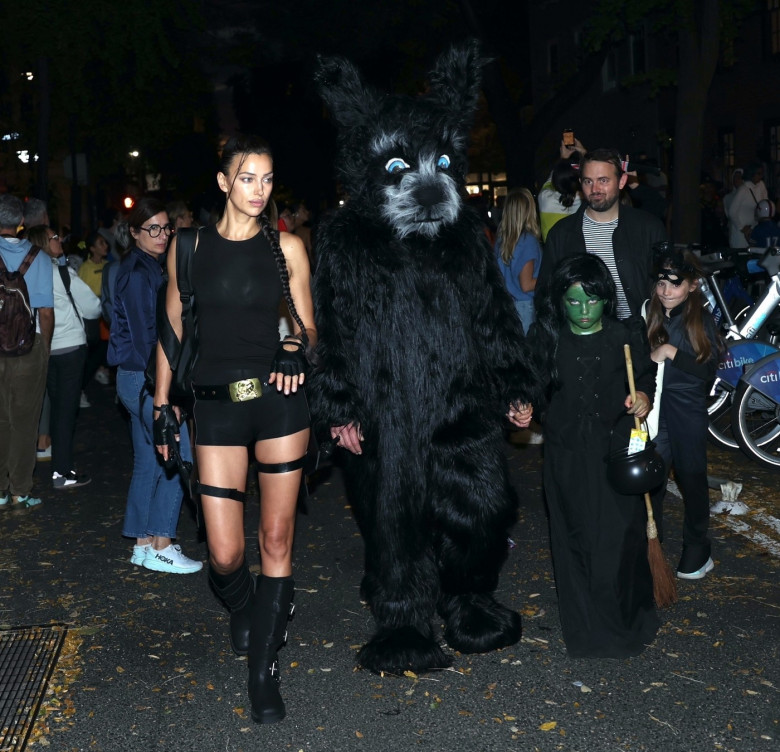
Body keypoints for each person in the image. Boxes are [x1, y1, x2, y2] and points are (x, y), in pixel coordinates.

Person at [153, 135, 316, 725]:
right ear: (224, 183)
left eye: (268, 179)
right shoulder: (188, 247)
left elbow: (306, 325)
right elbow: (172, 328)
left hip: (278, 402)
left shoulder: (286, 248)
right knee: (223, 554)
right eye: (248, 178)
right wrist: (162, 404)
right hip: (216, 406)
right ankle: (252, 608)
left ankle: (263, 671)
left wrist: (295, 347)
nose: (259, 190)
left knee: (275, 542)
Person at [529, 254, 659, 657]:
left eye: (592, 301)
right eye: (573, 302)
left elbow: (646, 378)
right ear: (559, 302)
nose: (583, 311)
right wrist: (521, 408)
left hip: (616, 454)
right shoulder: (545, 337)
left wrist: (642, 397)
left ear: (605, 299)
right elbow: (531, 389)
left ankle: (627, 623)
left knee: (620, 540)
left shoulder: (626, 333)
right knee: (574, 540)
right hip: (567, 456)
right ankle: (586, 633)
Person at [107, 198, 202, 575]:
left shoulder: (148, 267)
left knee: (148, 460)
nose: (162, 235)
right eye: (153, 229)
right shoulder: (137, 272)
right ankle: (162, 542)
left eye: (166, 228)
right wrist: (167, 395)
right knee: (182, 455)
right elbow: (149, 335)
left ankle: (143, 543)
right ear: (134, 232)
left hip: (137, 378)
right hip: (143, 379)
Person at [647, 248, 720, 580]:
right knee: (652, 477)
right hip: (656, 410)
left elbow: (707, 370)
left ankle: (697, 546)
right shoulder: (651, 312)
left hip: (688, 409)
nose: (666, 290)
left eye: (675, 284)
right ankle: (652, 544)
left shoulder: (700, 319)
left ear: (692, 285)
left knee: (691, 478)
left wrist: (671, 351)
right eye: (661, 282)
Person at [536, 148, 667, 320]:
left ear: (621, 181)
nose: (595, 189)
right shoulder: (562, 234)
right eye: (588, 181)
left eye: (603, 180)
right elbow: (545, 293)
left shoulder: (648, 228)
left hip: (638, 335)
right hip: (582, 338)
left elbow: (666, 285)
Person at [27, 225, 99, 490]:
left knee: (55, 408)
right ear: (45, 243)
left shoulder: (28, 274)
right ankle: (62, 473)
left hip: (43, 349)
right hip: (69, 348)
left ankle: (57, 470)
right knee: (66, 413)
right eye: (54, 237)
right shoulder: (60, 272)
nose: (59, 240)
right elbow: (93, 306)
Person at [0, 195, 54, 508]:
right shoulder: (39, 258)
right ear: (21, 221)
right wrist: (44, 347)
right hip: (27, 348)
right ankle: (20, 488)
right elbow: (45, 312)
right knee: (25, 420)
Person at [494, 187, 542, 335]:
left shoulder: (501, 240)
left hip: (506, 305)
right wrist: (550, 276)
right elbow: (526, 285)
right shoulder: (528, 241)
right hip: (524, 307)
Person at [78, 231, 111, 394]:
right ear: (92, 248)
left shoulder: (107, 265)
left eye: (105, 242)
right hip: (92, 319)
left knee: (105, 349)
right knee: (95, 352)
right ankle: (80, 387)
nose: (105, 245)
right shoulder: (85, 268)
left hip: (106, 316)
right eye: (100, 243)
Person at [537, 137, 585, 241]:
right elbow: (591, 178)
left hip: (552, 254)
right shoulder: (583, 200)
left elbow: (551, 179)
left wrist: (562, 159)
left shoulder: (545, 198)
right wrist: (584, 154)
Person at [727, 162, 768, 249]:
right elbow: (732, 211)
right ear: (752, 174)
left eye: (762, 174)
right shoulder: (743, 189)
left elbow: (765, 203)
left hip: (754, 229)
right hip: (741, 232)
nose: (761, 176)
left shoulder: (761, 185)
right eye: (758, 174)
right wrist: (741, 227)